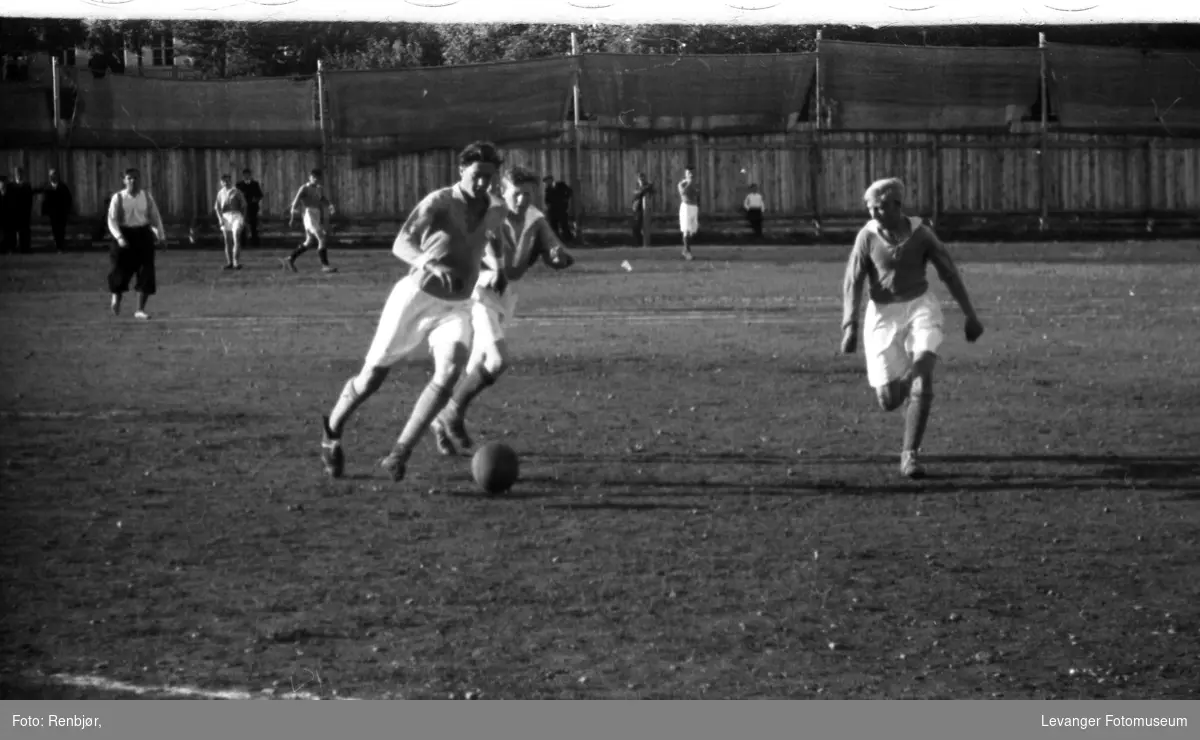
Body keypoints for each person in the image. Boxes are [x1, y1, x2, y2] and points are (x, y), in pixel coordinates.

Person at [318, 141, 509, 482]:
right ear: (461, 170)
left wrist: (497, 266)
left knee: (450, 372)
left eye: (490, 177)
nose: (483, 183)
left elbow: (489, 236)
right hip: (416, 299)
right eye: (477, 175)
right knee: (370, 380)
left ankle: (399, 453)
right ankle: (332, 433)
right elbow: (401, 243)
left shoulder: (495, 207)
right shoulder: (439, 202)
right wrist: (432, 265)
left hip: (458, 306)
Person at [840, 177, 984, 479]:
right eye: (869, 209)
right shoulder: (866, 237)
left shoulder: (922, 235)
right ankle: (903, 387)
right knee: (890, 401)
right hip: (882, 315)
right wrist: (850, 324)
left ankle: (910, 455)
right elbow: (853, 281)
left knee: (924, 360)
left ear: (896, 205)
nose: (873, 214)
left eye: (879, 207)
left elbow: (949, 273)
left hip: (920, 305)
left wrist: (970, 315)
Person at [431, 165, 576, 456]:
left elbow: (556, 251)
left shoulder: (536, 219)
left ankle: (440, 419)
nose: (523, 200)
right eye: (517, 194)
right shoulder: (491, 214)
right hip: (480, 292)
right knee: (497, 360)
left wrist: (560, 257)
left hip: (505, 297)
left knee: (477, 365)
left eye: (528, 194)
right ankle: (451, 415)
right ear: (502, 192)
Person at [107, 168, 167, 320]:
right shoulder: (118, 198)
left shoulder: (146, 196)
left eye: (135, 178)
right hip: (124, 234)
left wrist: (161, 236)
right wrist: (119, 237)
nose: (133, 181)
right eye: (129, 178)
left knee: (146, 272)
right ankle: (116, 297)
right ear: (124, 180)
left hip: (143, 235)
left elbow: (155, 217)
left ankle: (140, 309)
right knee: (119, 270)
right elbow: (111, 221)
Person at [283, 168, 337, 273]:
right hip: (309, 215)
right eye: (314, 177)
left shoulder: (319, 188)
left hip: (316, 215)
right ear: (310, 177)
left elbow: (322, 199)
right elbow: (295, 203)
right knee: (321, 237)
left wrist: (330, 205)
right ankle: (325, 266)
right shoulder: (304, 188)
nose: (315, 180)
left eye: (318, 178)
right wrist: (292, 218)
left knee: (309, 242)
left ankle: (290, 259)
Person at [214, 174, 247, 270]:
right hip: (226, 216)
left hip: (236, 215)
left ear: (230, 181)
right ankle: (229, 262)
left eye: (227, 180)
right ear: (221, 183)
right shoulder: (220, 193)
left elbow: (244, 205)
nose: (226, 183)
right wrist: (220, 219)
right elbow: (217, 208)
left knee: (236, 236)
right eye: (223, 181)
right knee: (227, 240)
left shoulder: (236, 192)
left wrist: (243, 219)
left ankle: (236, 261)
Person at [41, 168, 73, 252]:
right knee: (55, 230)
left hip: (62, 213)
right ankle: (58, 246)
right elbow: (44, 201)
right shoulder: (47, 187)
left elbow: (68, 199)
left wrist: (67, 211)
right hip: (52, 214)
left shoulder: (63, 186)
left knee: (61, 230)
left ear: (57, 176)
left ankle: (61, 246)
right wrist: (45, 212)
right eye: (51, 175)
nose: (53, 176)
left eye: (54, 174)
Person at [235, 168, 264, 246]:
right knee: (242, 225)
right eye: (245, 175)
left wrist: (255, 199)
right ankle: (242, 243)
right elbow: (235, 196)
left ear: (250, 175)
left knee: (253, 225)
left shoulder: (255, 184)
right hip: (242, 208)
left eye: (248, 175)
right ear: (243, 176)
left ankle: (255, 243)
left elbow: (260, 195)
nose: (246, 176)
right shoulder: (239, 185)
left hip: (253, 207)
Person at [8, 167, 35, 253]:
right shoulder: (11, 186)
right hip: (14, 213)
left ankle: (25, 248)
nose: (18, 175)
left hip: (24, 213)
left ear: (22, 174)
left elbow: (30, 199)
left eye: (20, 173)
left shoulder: (27, 185)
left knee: (25, 231)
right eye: (17, 173)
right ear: (15, 175)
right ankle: (12, 247)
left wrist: (28, 210)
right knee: (12, 232)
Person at [542, 175, 574, 242]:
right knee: (553, 225)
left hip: (561, 208)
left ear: (551, 180)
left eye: (547, 181)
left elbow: (570, 191)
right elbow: (547, 199)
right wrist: (548, 205)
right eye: (546, 182)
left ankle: (568, 239)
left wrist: (566, 198)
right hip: (552, 210)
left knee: (564, 224)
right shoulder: (548, 189)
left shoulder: (560, 185)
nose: (547, 183)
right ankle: (557, 240)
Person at [677, 165, 700, 261]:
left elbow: (696, 194)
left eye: (692, 172)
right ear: (685, 174)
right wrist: (689, 183)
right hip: (686, 207)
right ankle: (687, 252)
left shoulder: (695, 183)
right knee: (686, 229)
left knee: (692, 231)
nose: (691, 174)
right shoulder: (682, 183)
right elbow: (683, 193)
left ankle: (685, 249)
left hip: (694, 207)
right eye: (689, 172)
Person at [631, 173, 654, 247]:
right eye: (640, 179)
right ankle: (637, 243)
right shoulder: (638, 189)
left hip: (644, 210)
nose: (641, 180)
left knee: (643, 228)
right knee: (635, 227)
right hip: (637, 210)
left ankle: (642, 243)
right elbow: (638, 193)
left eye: (643, 179)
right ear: (638, 180)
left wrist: (648, 187)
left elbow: (652, 192)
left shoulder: (648, 188)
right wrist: (646, 187)